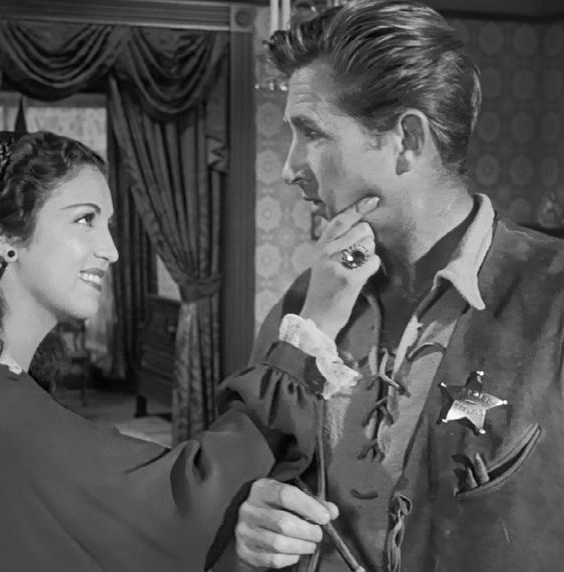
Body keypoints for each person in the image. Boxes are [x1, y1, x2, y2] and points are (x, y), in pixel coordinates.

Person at [0, 130, 337, 572]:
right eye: (85, 219)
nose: (111, 250)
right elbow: (183, 504)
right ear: (4, 235)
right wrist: (309, 330)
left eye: (108, 225)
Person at [222, 1, 564, 570]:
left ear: (406, 139)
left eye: (311, 133)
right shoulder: (306, 305)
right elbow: (260, 472)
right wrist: (254, 520)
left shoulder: (554, 296)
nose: (290, 169)